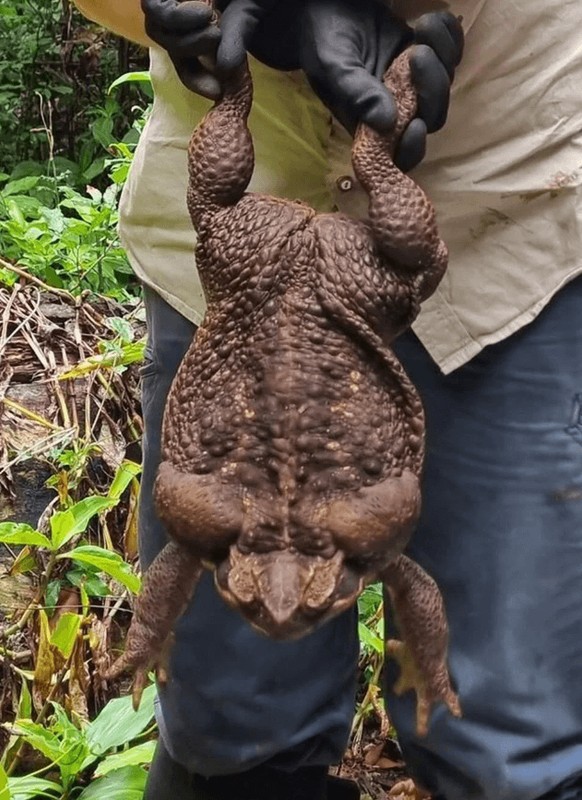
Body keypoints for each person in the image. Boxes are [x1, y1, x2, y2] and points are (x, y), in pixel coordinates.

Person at [72, 1, 582, 799]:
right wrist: (224, 22)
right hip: (274, 264)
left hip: (502, 196)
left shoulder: (258, 535)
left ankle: (369, 148)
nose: (276, 609)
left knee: (506, 739)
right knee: (226, 732)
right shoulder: (307, 539)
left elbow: (397, 573)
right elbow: (401, 573)